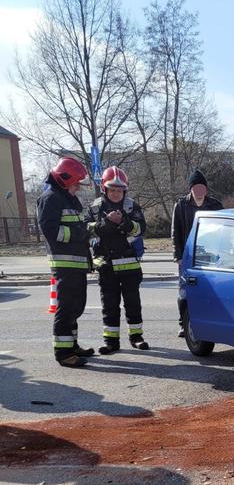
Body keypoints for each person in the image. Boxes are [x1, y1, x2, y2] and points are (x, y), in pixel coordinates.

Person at [37, 157, 94, 368]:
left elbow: (80, 225)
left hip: (76, 263)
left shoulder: (66, 197)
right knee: (66, 307)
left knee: (76, 307)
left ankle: (72, 345)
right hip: (65, 263)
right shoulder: (50, 198)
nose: (78, 186)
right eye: (76, 183)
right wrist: (81, 233)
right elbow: (51, 231)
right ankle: (63, 353)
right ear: (64, 178)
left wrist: (89, 229)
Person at [86, 167, 148, 354]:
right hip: (106, 266)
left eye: (119, 190)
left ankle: (136, 337)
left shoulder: (131, 207)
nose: (116, 193)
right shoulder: (95, 208)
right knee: (109, 305)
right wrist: (106, 224)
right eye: (112, 189)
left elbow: (141, 229)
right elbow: (86, 231)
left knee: (133, 303)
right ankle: (111, 341)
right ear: (105, 189)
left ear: (125, 191)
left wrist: (124, 223)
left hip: (129, 265)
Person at [171, 169, 223, 336]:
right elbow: (176, 232)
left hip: (211, 256)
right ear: (191, 189)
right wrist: (178, 256)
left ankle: (212, 322)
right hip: (188, 256)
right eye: (196, 188)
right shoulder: (181, 206)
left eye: (203, 188)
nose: (200, 191)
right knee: (185, 292)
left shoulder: (215, 205)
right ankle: (184, 323)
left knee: (211, 291)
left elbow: (224, 230)